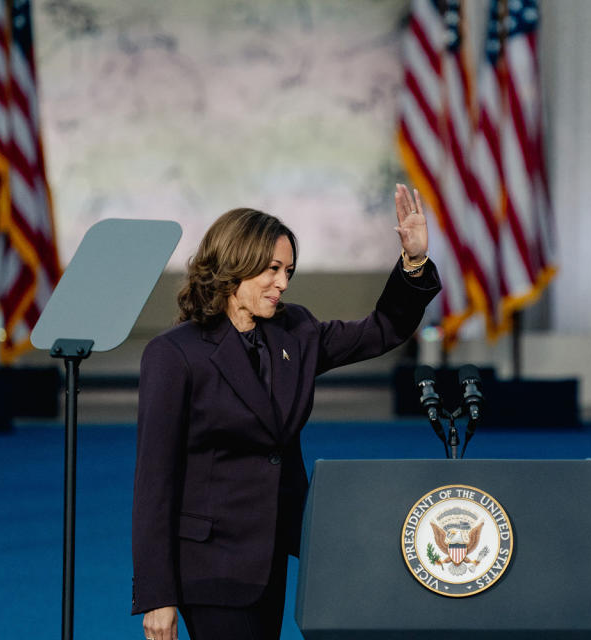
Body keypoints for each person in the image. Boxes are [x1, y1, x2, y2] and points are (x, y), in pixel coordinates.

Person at [131, 184, 439, 640]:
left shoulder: (295, 330)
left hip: (270, 557)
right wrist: (157, 593)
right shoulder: (174, 354)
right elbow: (154, 480)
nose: (283, 283)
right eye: (272, 270)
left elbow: (382, 330)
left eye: (288, 271)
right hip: (209, 563)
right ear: (235, 264)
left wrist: (412, 263)